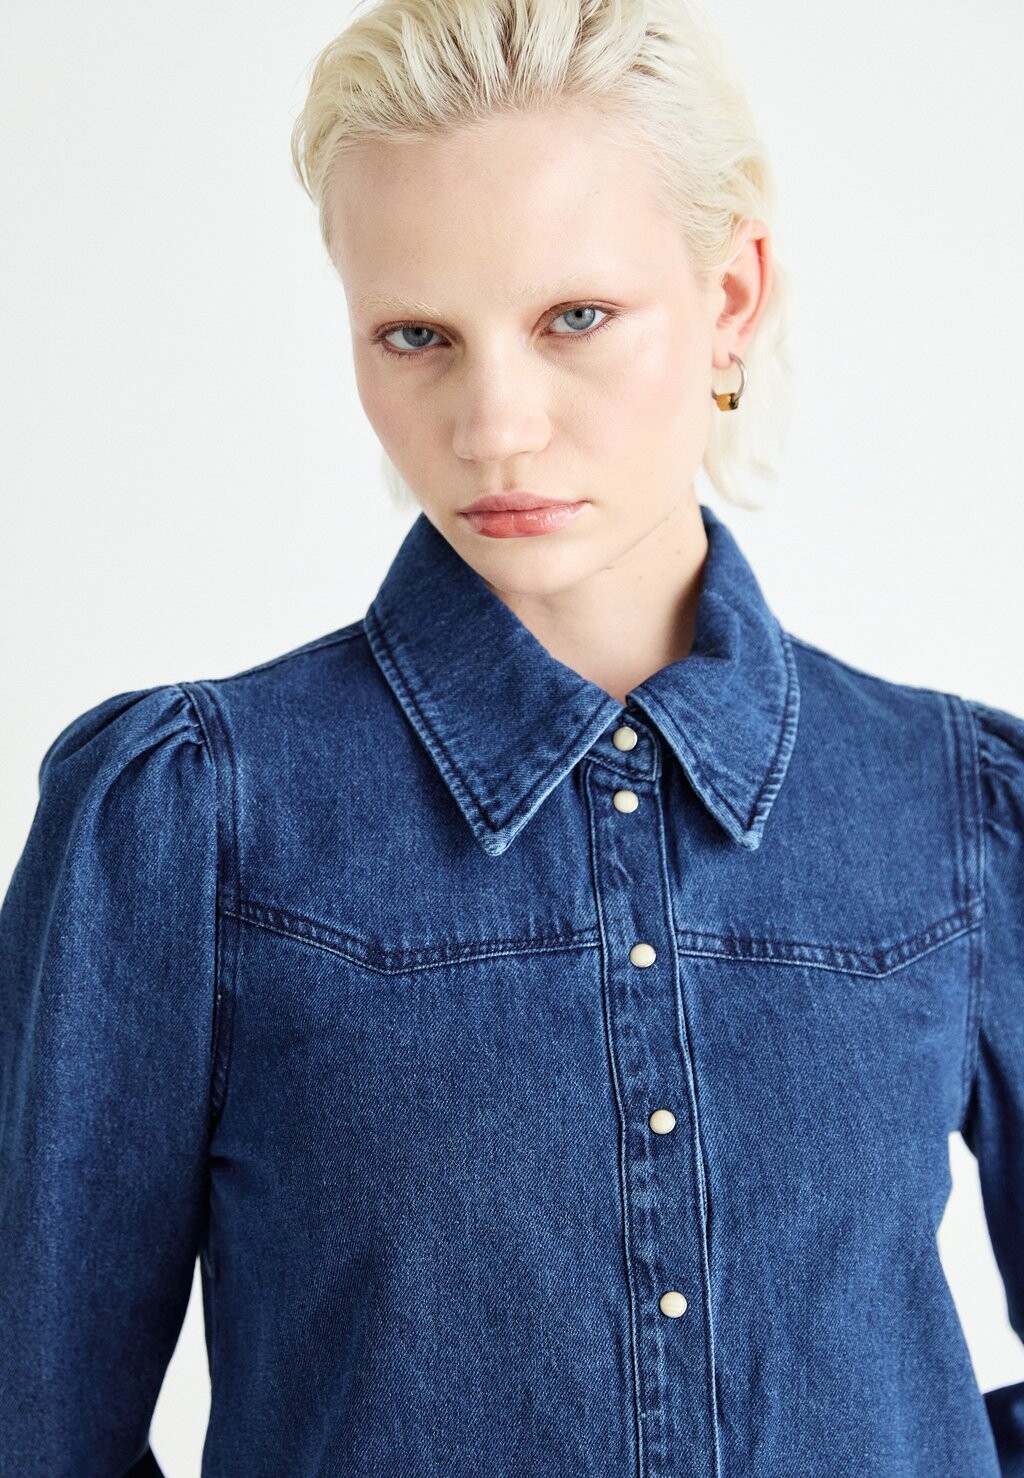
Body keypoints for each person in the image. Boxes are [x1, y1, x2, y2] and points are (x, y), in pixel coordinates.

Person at [1, 0, 1021, 1473]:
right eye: (417, 336)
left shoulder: (959, 813)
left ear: (731, 295)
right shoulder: (191, 819)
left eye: (575, 318)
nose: (494, 427)